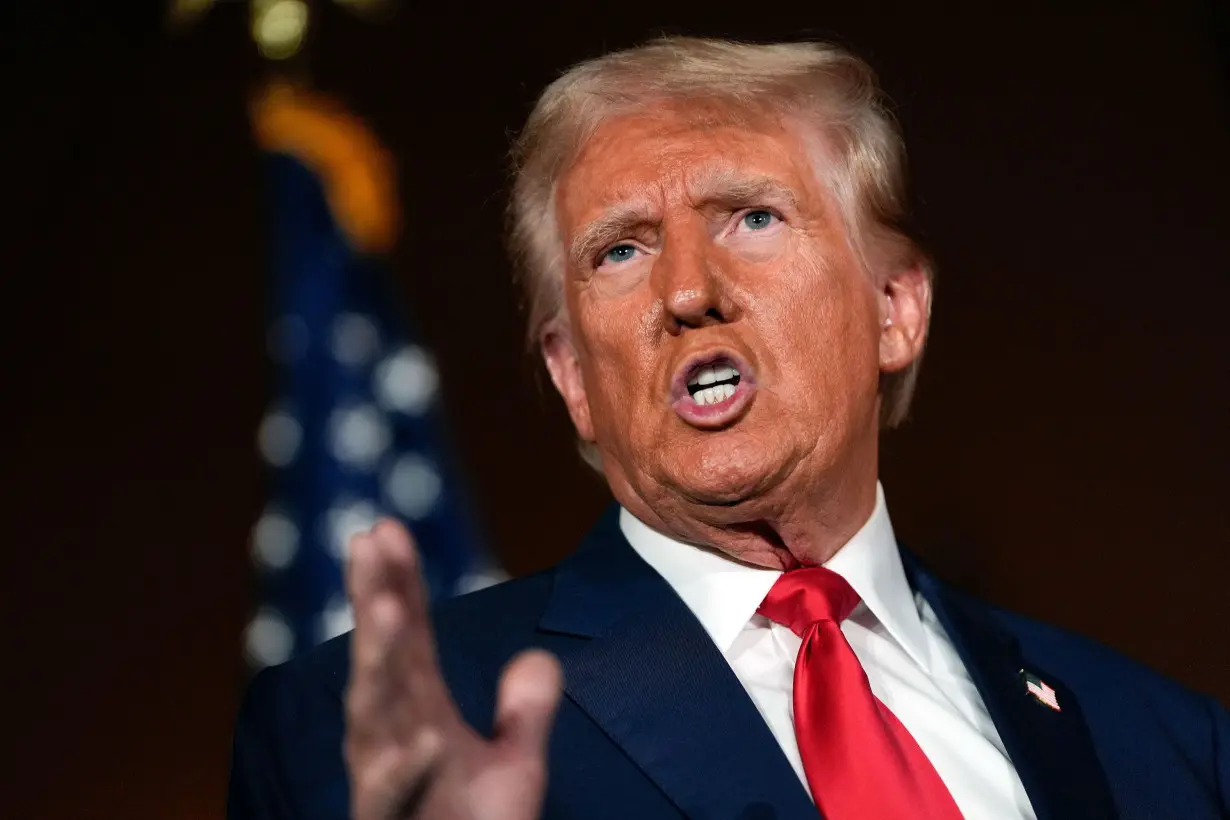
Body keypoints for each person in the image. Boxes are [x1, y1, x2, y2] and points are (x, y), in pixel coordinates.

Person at [227, 37, 1229, 820]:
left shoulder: (1164, 744)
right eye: (620, 249)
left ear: (894, 308)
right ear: (572, 374)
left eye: (751, 217)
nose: (690, 291)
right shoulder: (376, 731)